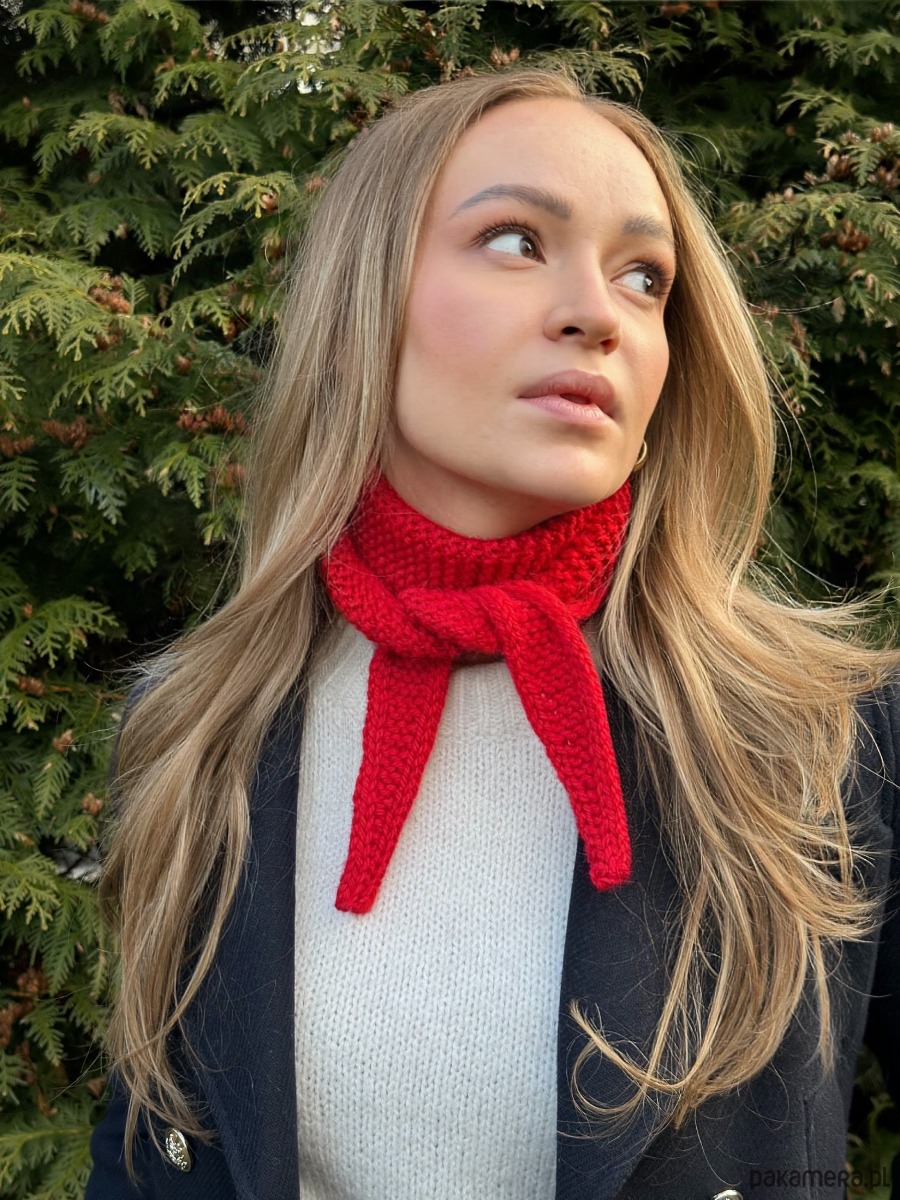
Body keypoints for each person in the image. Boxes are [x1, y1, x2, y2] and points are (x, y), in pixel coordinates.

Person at [85, 67, 900, 1200]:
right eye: (517, 242)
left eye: (645, 277)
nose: (598, 312)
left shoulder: (828, 735)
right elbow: (147, 1148)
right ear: (362, 305)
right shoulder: (196, 724)